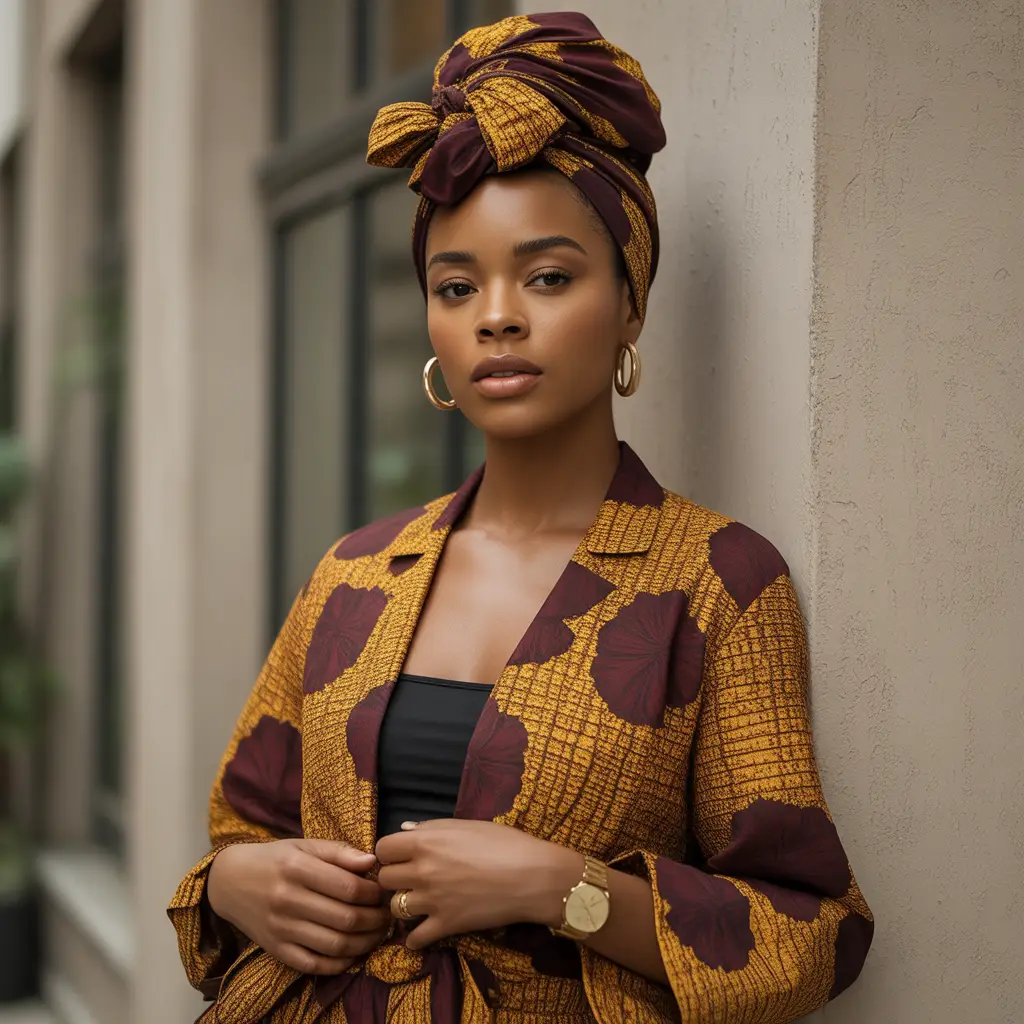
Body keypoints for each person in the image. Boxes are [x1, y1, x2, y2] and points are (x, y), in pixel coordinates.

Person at [168, 13, 873, 1023]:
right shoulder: (358, 572)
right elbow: (246, 829)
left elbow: (812, 932)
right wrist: (237, 885)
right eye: (456, 286)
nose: (496, 314)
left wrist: (564, 890)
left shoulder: (716, 580)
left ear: (628, 304)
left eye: (547, 276)